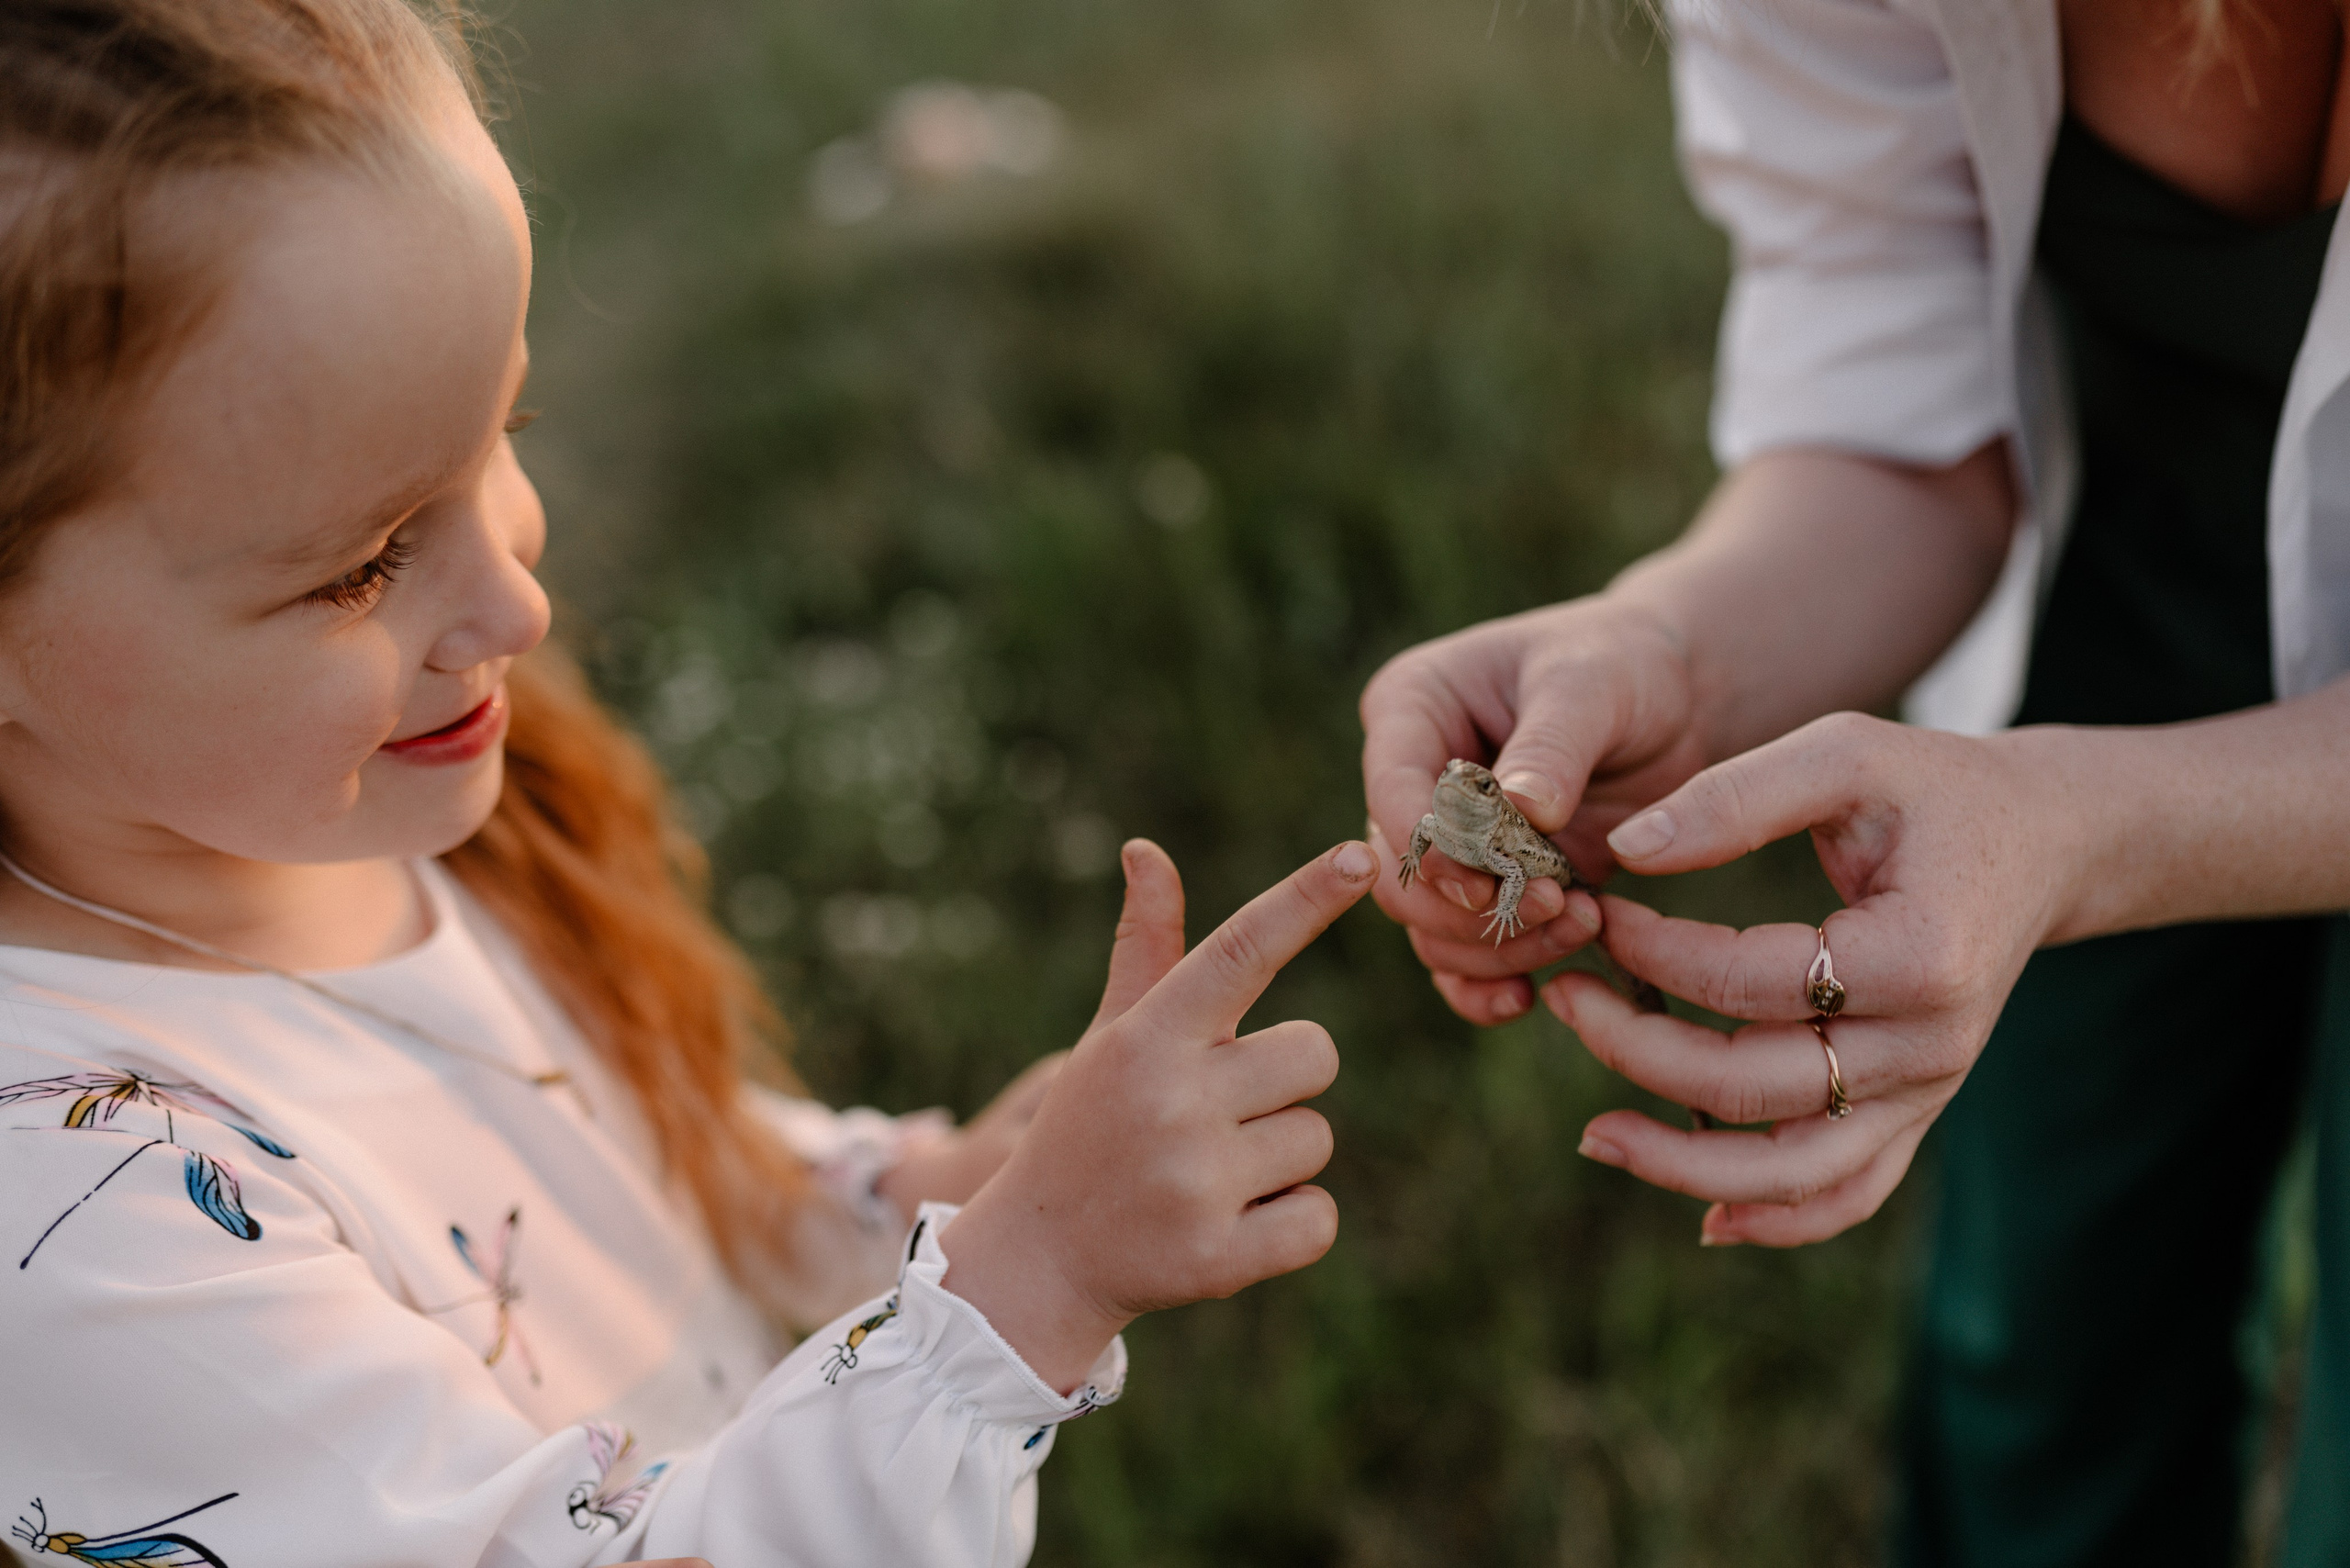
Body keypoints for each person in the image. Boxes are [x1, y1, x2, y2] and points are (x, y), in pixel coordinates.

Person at [0, 3, 1371, 1562]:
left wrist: (919, 1198)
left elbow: (628, 1179)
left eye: (498, 436)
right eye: (364, 563)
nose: (515, 600)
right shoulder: (65, 1225)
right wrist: (1021, 1297)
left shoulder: (330, 813)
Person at [1361, 0, 2350, 1561]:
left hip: (2095, 764)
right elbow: (1895, 408)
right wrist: (1677, 643)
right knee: (2047, 1333)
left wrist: (2096, 838)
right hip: (2138, 580)